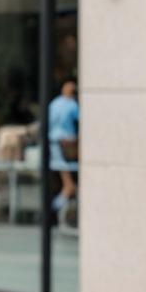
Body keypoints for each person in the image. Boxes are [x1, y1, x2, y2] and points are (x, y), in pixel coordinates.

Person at [48, 78, 80, 219]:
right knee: (68, 184)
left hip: (55, 143)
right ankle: (53, 209)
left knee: (66, 182)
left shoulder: (54, 103)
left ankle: (54, 209)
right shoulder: (72, 105)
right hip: (66, 146)